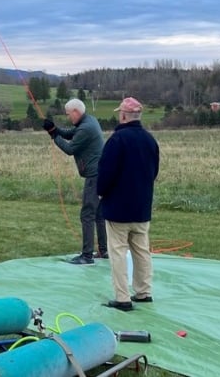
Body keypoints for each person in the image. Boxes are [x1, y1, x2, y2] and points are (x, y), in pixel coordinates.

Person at [97, 97, 160, 311]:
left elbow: (106, 173)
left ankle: (122, 297)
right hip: (142, 207)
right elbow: (154, 172)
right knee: (142, 252)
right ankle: (144, 292)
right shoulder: (150, 140)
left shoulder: (117, 140)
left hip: (118, 209)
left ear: (123, 115)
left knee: (117, 253)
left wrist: (100, 193)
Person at [43, 98, 108, 264]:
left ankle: (87, 256)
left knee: (87, 213)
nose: (68, 117)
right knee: (99, 213)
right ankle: (104, 250)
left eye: (69, 114)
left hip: (94, 175)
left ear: (76, 112)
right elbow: (71, 133)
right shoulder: (89, 121)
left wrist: (53, 136)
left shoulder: (86, 127)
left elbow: (70, 149)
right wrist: (54, 130)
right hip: (101, 172)